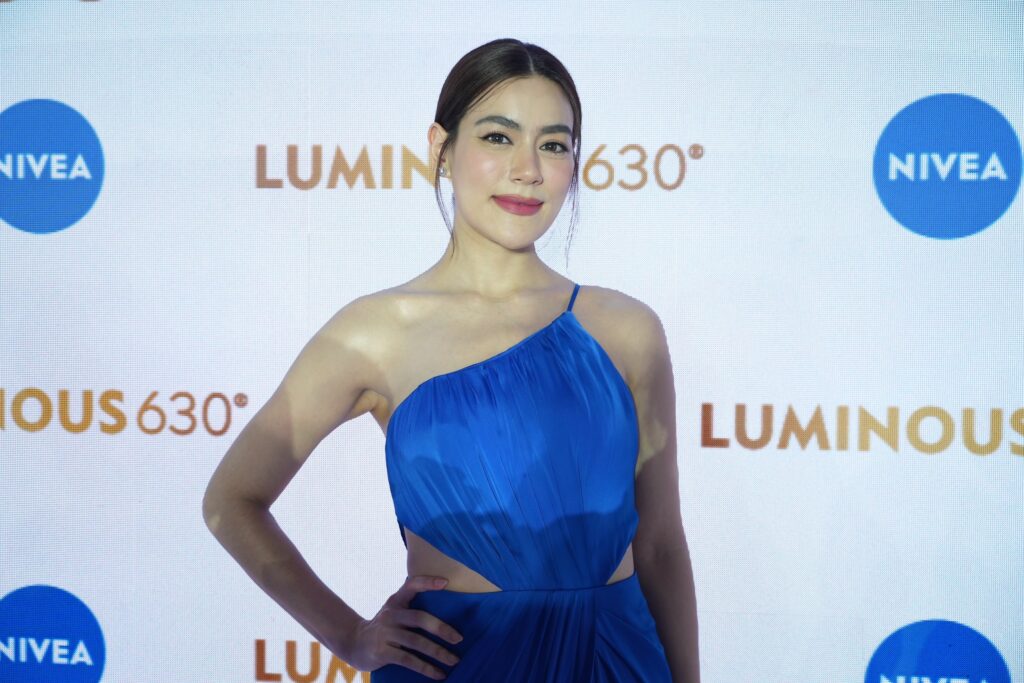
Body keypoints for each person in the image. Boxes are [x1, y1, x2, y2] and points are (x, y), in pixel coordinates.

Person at [202, 38, 699, 682]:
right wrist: (348, 635)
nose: (528, 169)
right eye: (498, 137)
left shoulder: (627, 330)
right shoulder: (374, 333)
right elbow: (232, 500)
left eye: (553, 145)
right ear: (441, 149)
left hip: (618, 659)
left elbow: (659, 545)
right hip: (460, 663)